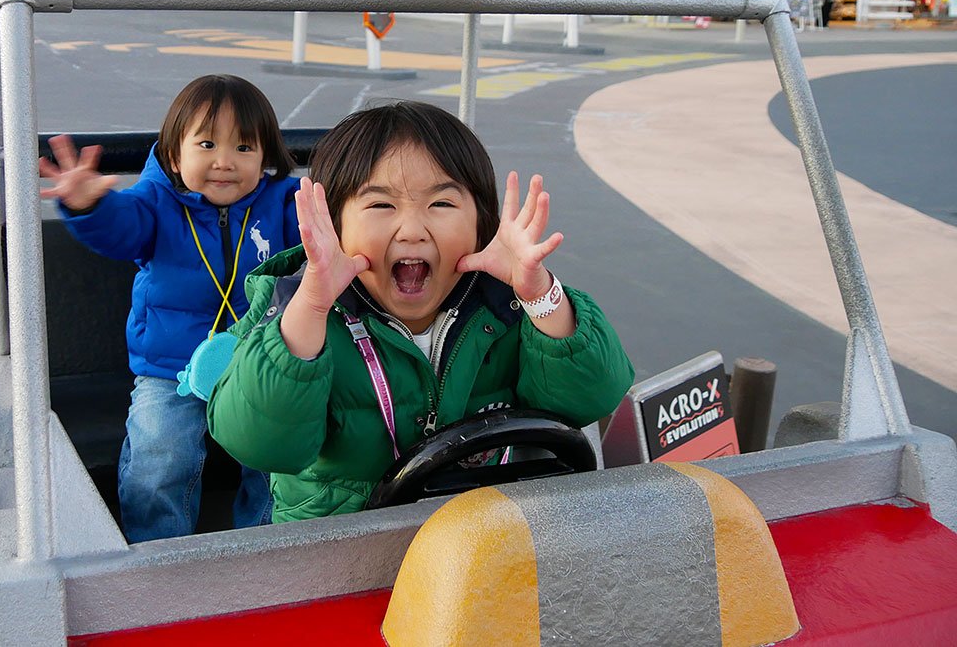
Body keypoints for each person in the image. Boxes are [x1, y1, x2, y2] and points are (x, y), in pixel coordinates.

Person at [207, 101, 634, 522]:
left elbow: (592, 398)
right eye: (380, 206)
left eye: (442, 205)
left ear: (481, 225)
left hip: (488, 535)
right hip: (345, 552)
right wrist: (312, 307)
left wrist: (538, 293)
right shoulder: (296, 308)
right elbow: (262, 444)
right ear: (335, 228)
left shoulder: (508, 302)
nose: (412, 230)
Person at [39, 74, 301, 541]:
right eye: (206, 144)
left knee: (279, 455)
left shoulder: (283, 205)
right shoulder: (154, 203)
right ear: (175, 156)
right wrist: (87, 207)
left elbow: (327, 229)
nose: (224, 162)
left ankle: (265, 542)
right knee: (160, 454)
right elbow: (121, 228)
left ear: (266, 158)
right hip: (171, 367)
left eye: (244, 148)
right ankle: (156, 551)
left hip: (260, 362)